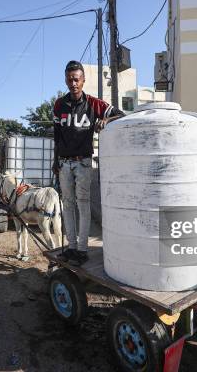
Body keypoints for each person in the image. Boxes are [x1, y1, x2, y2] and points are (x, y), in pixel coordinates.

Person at [53, 60, 124, 266]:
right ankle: (72, 247)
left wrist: (105, 121)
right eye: (69, 79)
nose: (73, 83)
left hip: (83, 162)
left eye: (76, 79)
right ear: (66, 80)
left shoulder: (94, 104)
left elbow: (120, 114)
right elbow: (56, 136)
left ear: (83, 80)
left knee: (83, 205)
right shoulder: (59, 105)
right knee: (67, 205)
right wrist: (54, 161)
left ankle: (82, 250)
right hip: (64, 163)